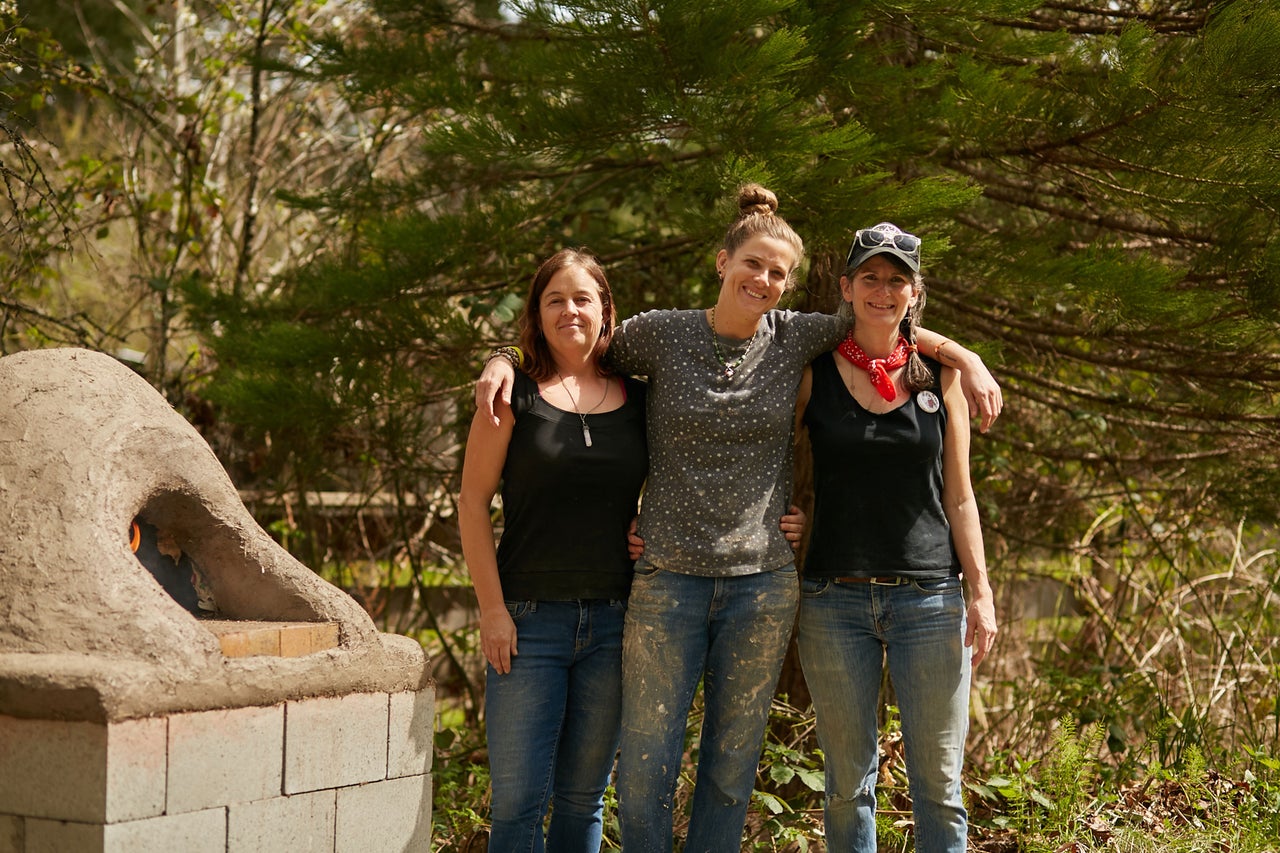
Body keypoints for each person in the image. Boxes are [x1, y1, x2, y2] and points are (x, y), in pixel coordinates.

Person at [475, 186, 1002, 853]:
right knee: (645, 767)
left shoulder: (796, 338)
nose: (764, 279)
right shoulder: (659, 335)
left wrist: (964, 355)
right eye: (753, 263)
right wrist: (504, 357)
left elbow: (884, 322)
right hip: (667, 580)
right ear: (723, 261)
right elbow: (573, 342)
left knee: (729, 770)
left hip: (762, 587)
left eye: (779, 272)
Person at [794, 223, 997, 853]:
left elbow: (960, 494)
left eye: (898, 280)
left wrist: (982, 593)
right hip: (833, 600)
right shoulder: (811, 372)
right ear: (848, 287)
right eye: (871, 278)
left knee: (939, 785)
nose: (884, 290)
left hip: (930, 600)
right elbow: (773, 463)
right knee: (847, 785)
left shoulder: (941, 376)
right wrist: (787, 515)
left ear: (914, 293)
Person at [457, 248, 649, 853]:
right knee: (517, 806)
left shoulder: (640, 398)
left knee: (583, 800)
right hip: (527, 623)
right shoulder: (510, 395)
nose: (570, 310)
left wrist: (651, 525)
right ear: (536, 315)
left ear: (606, 310)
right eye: (555, 299)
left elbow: (684, 478)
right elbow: (471, 503)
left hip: (616, 622)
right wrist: (492, 610)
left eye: (583, 298)